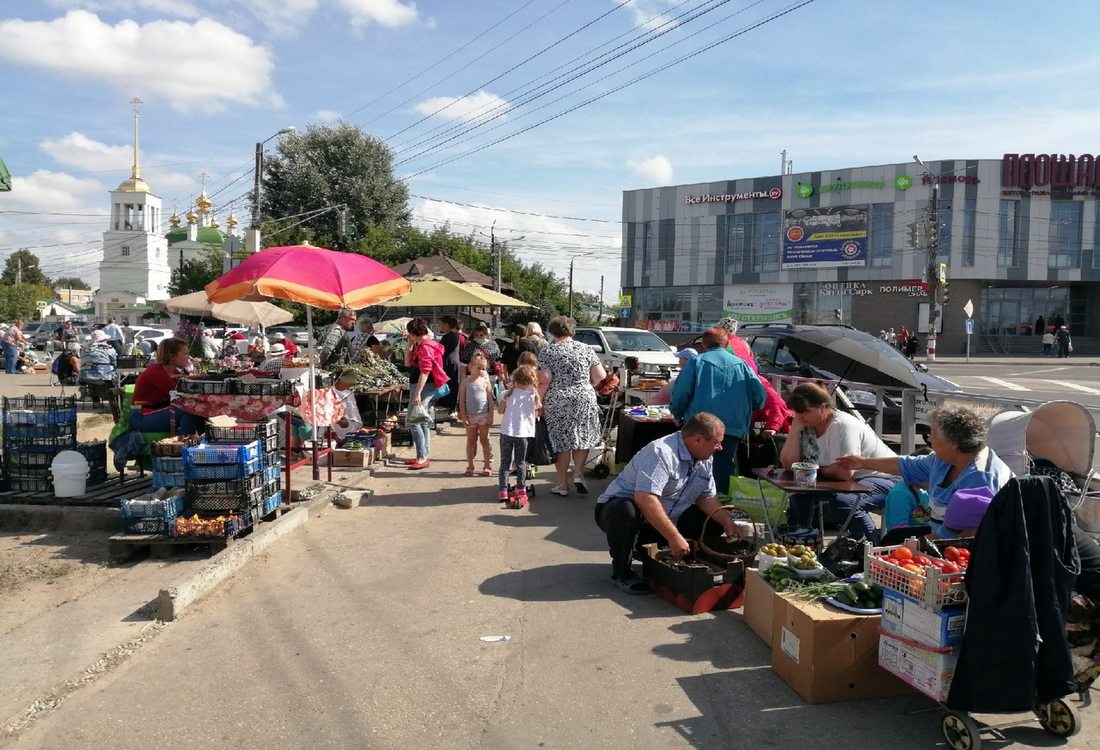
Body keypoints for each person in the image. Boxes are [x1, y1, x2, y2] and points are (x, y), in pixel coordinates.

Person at [595, 413, 742, 595]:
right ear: (698, 439)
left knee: (712, 520)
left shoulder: (704, 458)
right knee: (625, 510)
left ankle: (669, 555)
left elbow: (706, 497)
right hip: (623, 513)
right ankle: (621, 572)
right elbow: (645, 498)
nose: (720, 447)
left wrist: (727, 522)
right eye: (717, 442)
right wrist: (674, 537)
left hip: (663, 518)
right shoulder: (661, 452)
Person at [836, 405, 1013, 538]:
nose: (928, 439)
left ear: (954, 444)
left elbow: (967, 534)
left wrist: (918, 547)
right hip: (941, 539)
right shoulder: (942, 459)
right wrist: (862, 462)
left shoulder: (980, 477)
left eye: (933, 435)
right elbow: (904, 465)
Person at [780, 383, 899, 543]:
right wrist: (794, 432)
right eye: (797, 412)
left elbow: (844, 473)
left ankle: (871, 549)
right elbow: (789, 465)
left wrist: (815, 471)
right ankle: (800, 546)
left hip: (885, 478)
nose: (800, 417)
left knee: (844, 502)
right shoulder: (806, 424)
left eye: (805, 411)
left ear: (823, 407)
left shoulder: (842, 425)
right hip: (847, 481)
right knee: (799, 494)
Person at [670, 326, 765, 496]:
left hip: (700, 427)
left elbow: (681, 393)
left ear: (704, 344)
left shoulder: (696, 362)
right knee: (724, 468)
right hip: (732, 427)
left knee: (696, 466)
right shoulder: (742, 365)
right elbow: (759, 397)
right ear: (727, 343)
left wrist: (676, 413)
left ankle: (695, 506)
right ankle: (721, 507)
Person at [537, 315, 607, 497]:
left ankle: (562, 484)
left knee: (561, 441)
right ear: (571, 331)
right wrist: (586, 386)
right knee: (581, 437)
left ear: (552, 332)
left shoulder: (548, 352)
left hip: (557, 399)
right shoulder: (586, 349)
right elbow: (600, 376)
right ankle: (577, 473)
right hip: (584, 397)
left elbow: (544, 380)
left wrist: (537, 402)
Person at [404, 317, 450, 470]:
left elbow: (425, 372)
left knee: (413, 420)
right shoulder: (423, 345)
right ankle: (423, 454)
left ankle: (422, 456)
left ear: (413, 333)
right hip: (426, 386)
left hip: (423, 386)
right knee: (422, 420)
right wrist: (409, 346)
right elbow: (408, 364)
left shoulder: (425, 348)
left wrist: (417, 394)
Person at [130, 338, 203, 435]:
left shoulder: (173, 372)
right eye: (185, 354)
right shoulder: (156, 372)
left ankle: (203, 443)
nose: (188, 357)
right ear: (172, 356)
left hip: (156, 412)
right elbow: (181, 395)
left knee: (201, 410)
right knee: (189, 409)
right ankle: (186, 445)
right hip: (142, 417)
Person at [497, 364, 541, 507]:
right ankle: (521, 488)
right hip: (523, 434)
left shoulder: (508, 394)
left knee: (505, 462)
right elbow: (538, 410)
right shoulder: (532, 395)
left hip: (507, 432)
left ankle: (503, 490)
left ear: (515, 379)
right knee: (520, 462)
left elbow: (500, 411)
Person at [459, 353, 495, 477]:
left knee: (485, 440)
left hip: (483, 416)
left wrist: (491, 416)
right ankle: (470, 465)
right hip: (470, 416)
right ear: (470, 367)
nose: (480, 371)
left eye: (483, 368)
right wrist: (463, 416)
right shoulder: (465, 383)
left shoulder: (486, 382)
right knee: (471, 441)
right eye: (478, 368)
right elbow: (462, 402)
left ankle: (487, 465)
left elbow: (490, 401)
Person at [437, 316, 462, 414]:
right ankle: (451, 406)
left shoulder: (448, 336)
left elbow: (440, 349)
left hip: (449, 364)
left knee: (448, 385)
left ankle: (447, 406)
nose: (439, 326)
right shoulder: (455, 335)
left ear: (446, 325)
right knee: (453, 385)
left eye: (440, 324)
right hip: (454, 363)